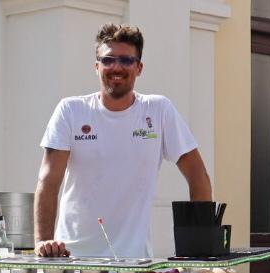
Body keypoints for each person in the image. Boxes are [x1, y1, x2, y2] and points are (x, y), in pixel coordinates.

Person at [34, 23, 213, 258]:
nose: (116, 67)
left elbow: (198, 175)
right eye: (108, 60)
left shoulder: (158, 110)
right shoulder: (71, 110)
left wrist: (200, 249)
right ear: (96, 66)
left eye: (126, 60)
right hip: (72, 259)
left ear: (139, 68)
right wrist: (43, 241)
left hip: (134, 263)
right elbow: (48, 181)